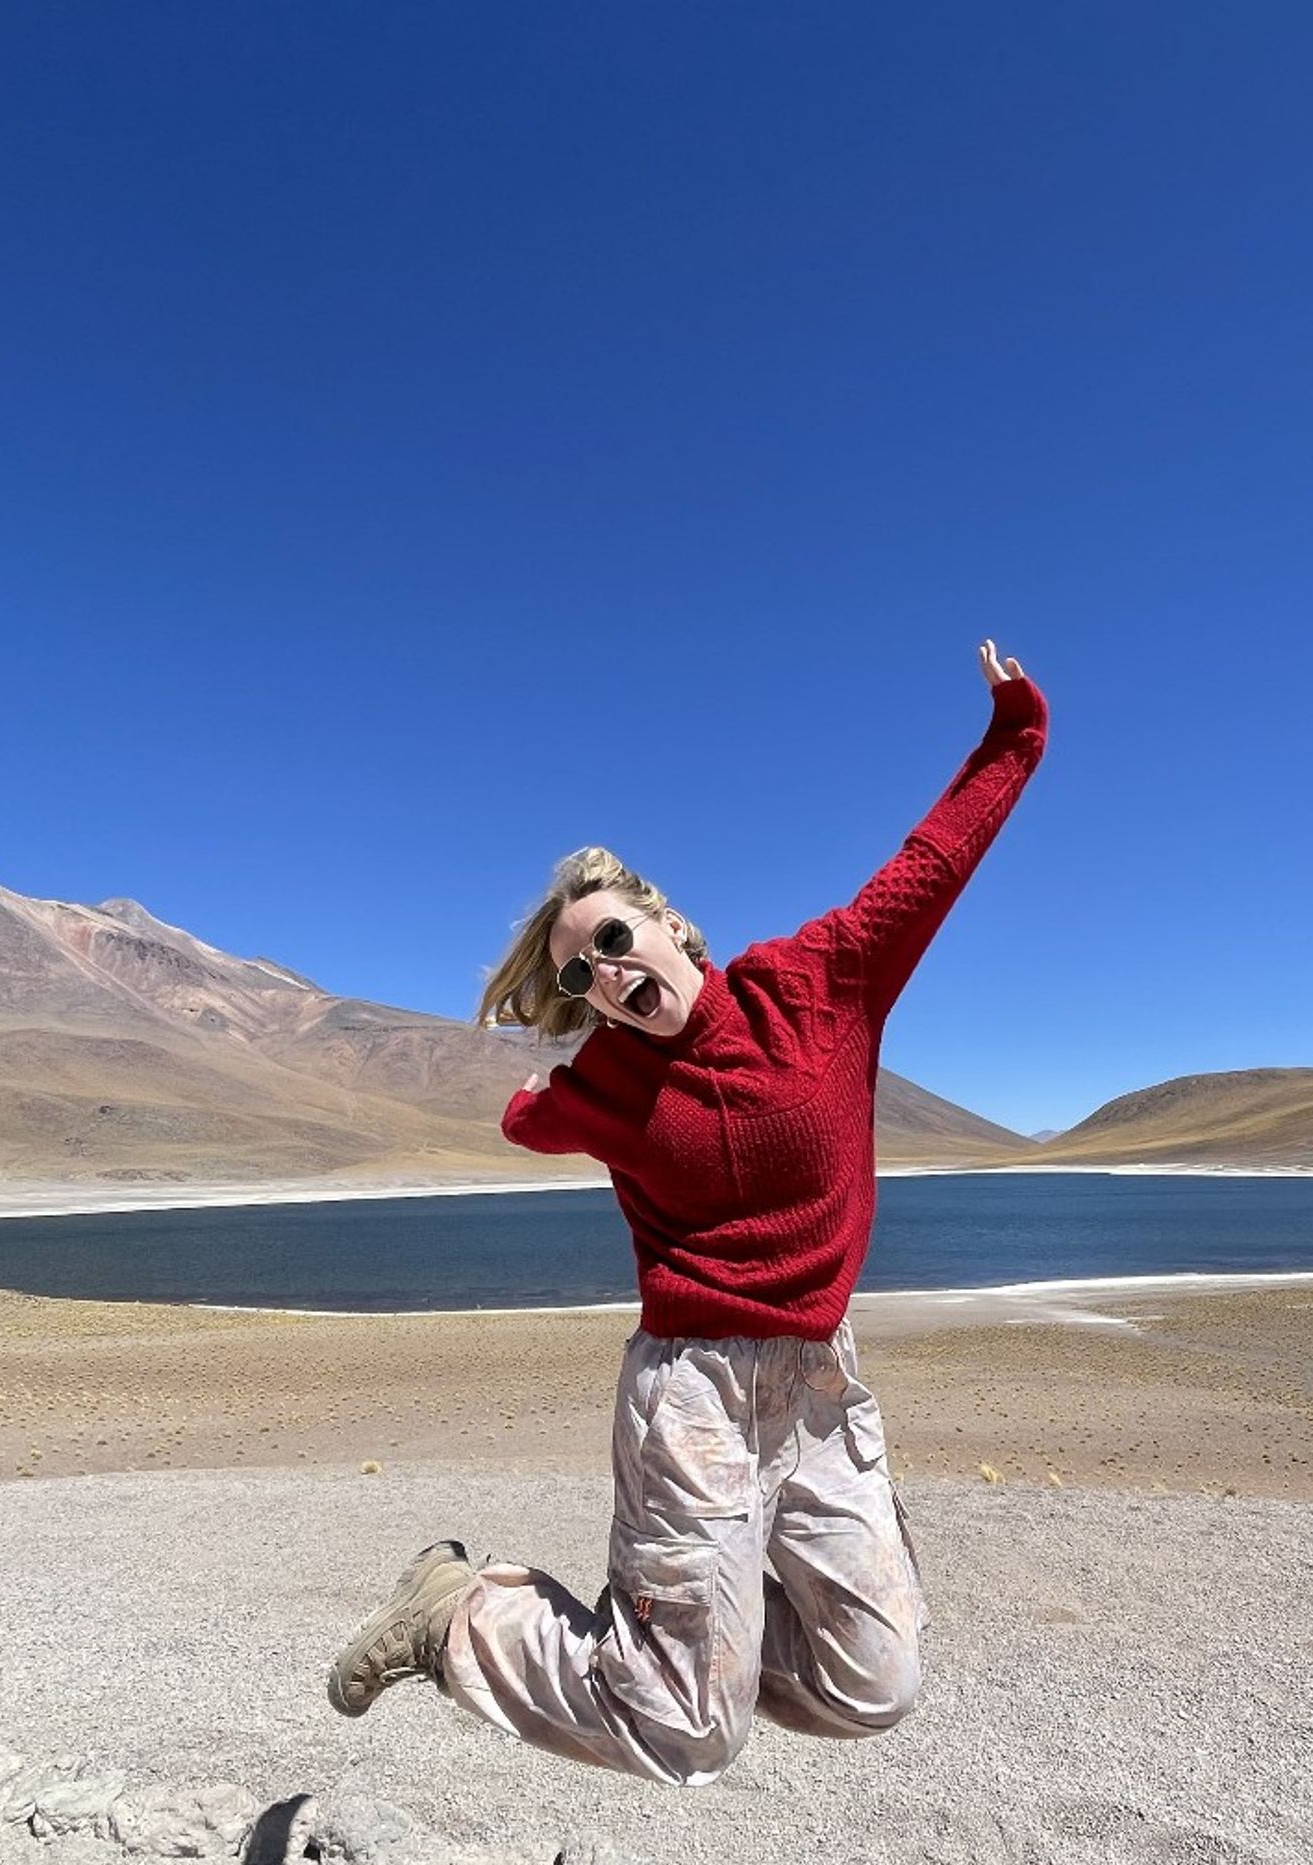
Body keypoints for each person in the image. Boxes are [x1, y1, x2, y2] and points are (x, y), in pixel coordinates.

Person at [327, 640, 1050, 1786]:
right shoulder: (601, 1089)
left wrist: (1013, 734)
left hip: (815, 1380)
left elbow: (931, 861)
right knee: (684, 1729)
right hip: (691, 1391)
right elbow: (530, 1125)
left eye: (613, 941)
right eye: (579, 977)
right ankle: (458, 1613)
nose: (607, 976)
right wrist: (529, 1101)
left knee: (874, 1687)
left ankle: (690, 1630)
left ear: (670, 925)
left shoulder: (820, 980)